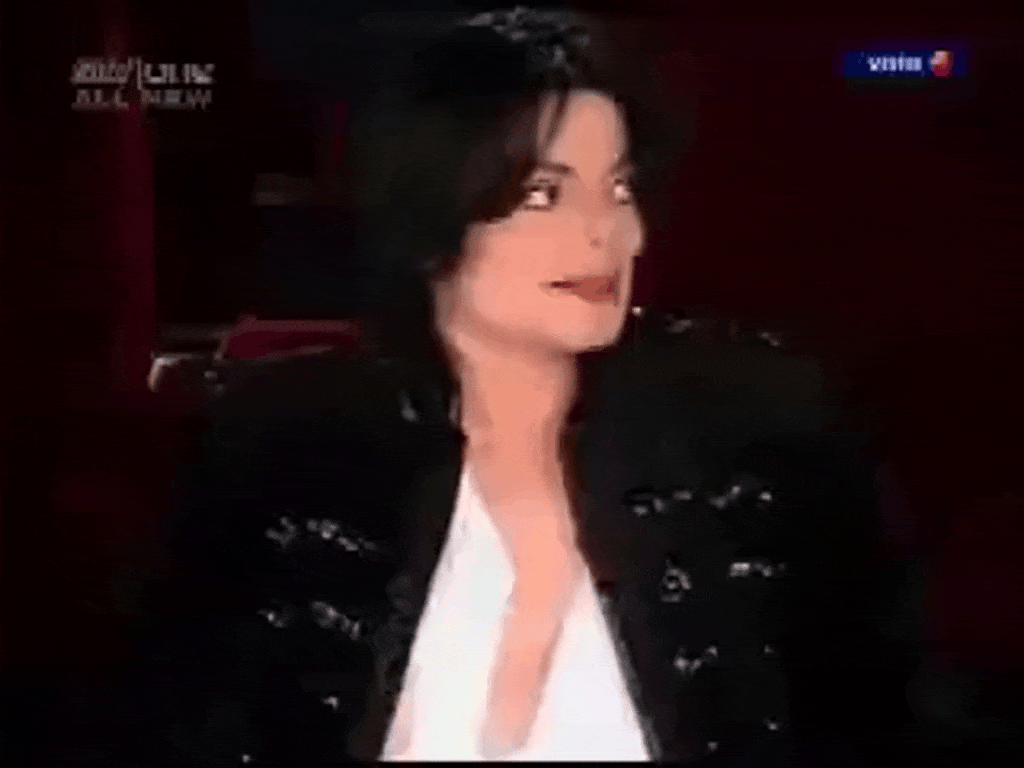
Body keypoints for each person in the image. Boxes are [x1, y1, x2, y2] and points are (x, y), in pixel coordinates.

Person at [132, 5, 916, 766]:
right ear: (434, 215)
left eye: (619, 188)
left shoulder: (750, 449)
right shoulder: (285, 455)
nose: (608, 233)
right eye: (545, 194)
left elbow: (879, 716)